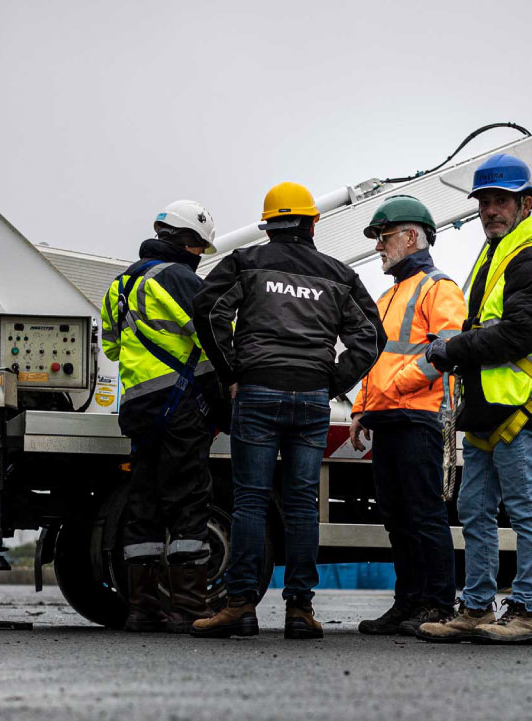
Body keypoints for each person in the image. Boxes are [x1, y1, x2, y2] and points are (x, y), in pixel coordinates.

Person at [190, 181, 385, 639]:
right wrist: (333, 380)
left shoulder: (247, 262)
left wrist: (230, 370)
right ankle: (300, 610)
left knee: (251, 502)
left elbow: (207, 309)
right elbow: (371, 335)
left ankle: (239, 606)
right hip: (312, 398)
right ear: (313, 222)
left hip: (256, 393)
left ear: (269, 224)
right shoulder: (338, 274)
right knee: (301, 506)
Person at [416, 154, 532, 644]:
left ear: (525, 203)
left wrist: (452, 350)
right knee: (475, 509)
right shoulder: (498, 254)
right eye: (485, 202)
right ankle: (477, 607)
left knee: (524, 510)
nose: (490, 210)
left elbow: (520, 334)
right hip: (490, 406)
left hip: (517, 405)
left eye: (501, 200)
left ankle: (527, 612)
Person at [100, 199, 221, 633]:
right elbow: (211, 337)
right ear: (190, 242)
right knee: (188, 502)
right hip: (181, 405)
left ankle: (141, 607)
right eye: (199, 248)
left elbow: (112, 347)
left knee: (144, 507)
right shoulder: (180, 279)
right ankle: (189, 607)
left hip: (137, 408)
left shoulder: (119, 285)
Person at [348, 196, 466, 636]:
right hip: (388, 420)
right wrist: (362, 409)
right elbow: (373, 361)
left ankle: (436, 603)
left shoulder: (440, 289)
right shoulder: (387, 296)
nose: (379, 246)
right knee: (396, 517)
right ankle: (408, 602)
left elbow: (448, 351)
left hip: (418, 419)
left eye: (384, 236)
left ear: (412, 236)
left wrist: (393, 389)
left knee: (423, 514)